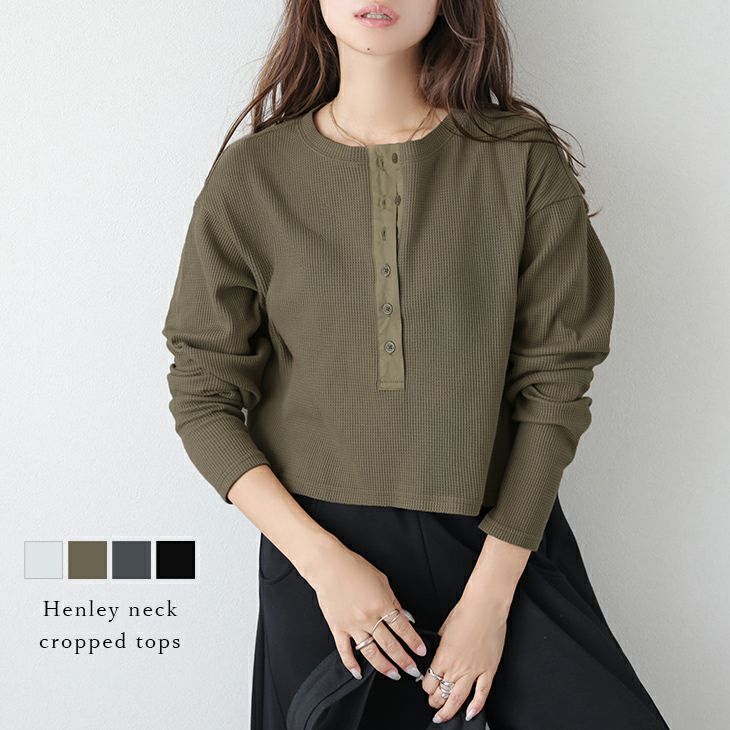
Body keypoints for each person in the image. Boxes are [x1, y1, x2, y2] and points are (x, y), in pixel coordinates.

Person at [162, 1, 672, 728]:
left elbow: (556, 385)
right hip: (324, 562)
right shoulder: (252, 177)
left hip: (499, 537)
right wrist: (322, 565)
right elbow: (203, 394)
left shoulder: (519, 159)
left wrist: (489, 600)